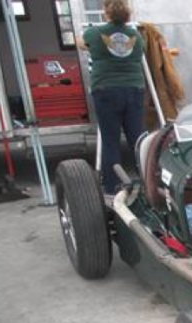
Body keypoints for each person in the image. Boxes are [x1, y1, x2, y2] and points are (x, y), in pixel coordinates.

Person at [78, 0, 145, 196]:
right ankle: (147, 182)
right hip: (134, 89)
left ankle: (113, 187)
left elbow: (82, 43)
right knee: (138, 139)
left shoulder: (94, 33)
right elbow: (140, 53)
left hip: (106, 89)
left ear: (106, 12)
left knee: (110, 140)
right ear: (127, 15)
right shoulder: (136, 35)